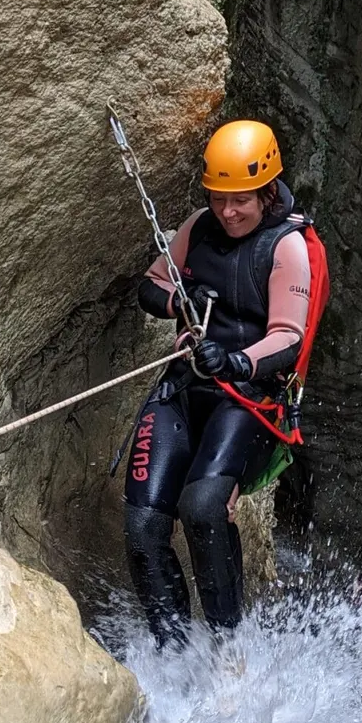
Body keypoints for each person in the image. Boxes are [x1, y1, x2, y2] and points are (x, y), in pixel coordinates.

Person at [123, 119, 313, 646]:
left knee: (203, 508)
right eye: (219, 198)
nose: (228, 211)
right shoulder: (199, 227)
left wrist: (234, 362)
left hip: (246, 399)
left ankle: (228, 652)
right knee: (143, 528)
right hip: (184, 388)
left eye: (241, 200)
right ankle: (173, 650)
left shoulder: (286, 247)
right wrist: (174, 305)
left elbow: (288, 337)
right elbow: (153, 283)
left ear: (267, 191)